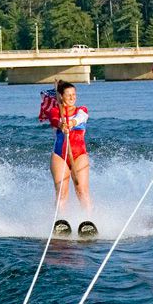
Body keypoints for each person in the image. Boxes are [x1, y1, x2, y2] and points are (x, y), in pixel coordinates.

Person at [45, 80, 92, 216]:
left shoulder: (81, 110)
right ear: (61, 96)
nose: (72, 97)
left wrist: (71, 122)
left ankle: (88, 220)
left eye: (74, 94)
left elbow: (82, 117)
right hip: (60, 155)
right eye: (68, 95)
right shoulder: (55, 111)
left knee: (81, 190)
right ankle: (60, 220)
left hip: (80, 155)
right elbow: (54, 119)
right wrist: (61, 124)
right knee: (61, 192)